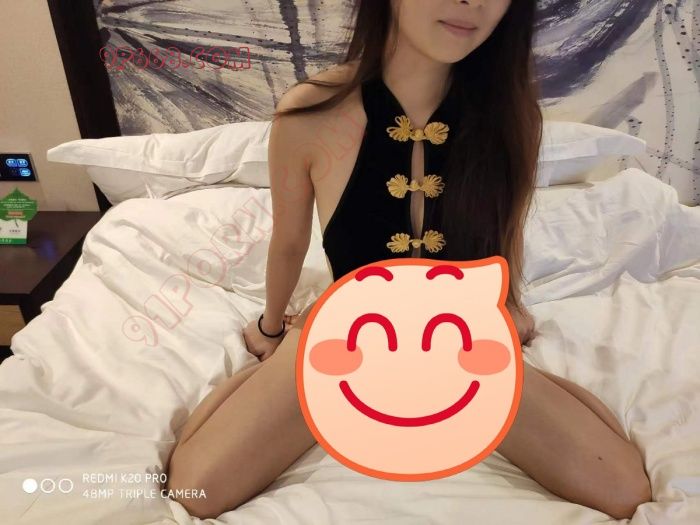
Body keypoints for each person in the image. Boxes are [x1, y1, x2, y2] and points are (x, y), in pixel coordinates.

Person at [166, 0, 652, 520]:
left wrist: (508, 306)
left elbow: (506, 228)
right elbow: (289, 241)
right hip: (348, 330)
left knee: (624, 490)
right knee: (195, 489)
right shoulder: (311, 111)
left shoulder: (510, 115)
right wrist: (272, 329)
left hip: (460, 334)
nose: (472, 3)